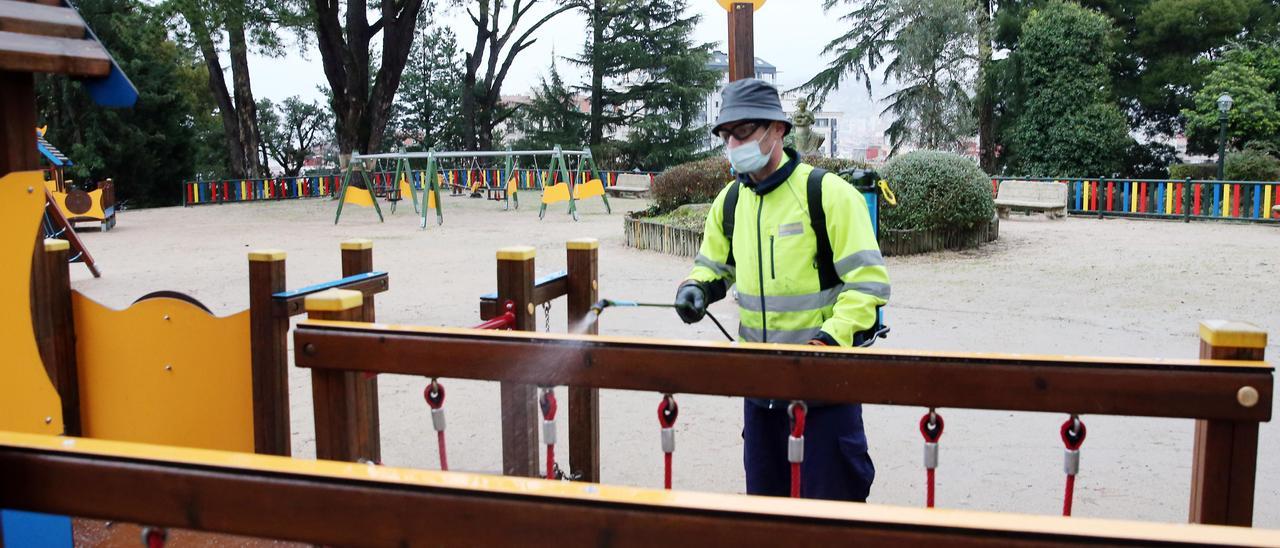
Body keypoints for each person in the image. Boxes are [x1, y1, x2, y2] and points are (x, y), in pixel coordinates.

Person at [674, 79, 890, 501]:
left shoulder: (827, 195)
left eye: (744, 131)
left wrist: (828, 340)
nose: (733, 143)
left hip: (826, 392)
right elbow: (713, 266)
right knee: (766, 518)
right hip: (760, 395)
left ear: (778, 130)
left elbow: (868, 284)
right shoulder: (730, 202)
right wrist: (695, 288)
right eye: (725, 135)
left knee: (832, 520)